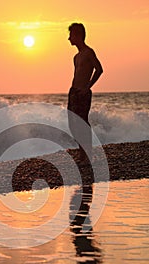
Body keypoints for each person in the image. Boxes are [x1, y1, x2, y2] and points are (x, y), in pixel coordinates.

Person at [67, 23, 103, 161]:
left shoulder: (89, 52)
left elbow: (99, 69)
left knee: (82, 122)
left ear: (78, 36)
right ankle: (82, 151)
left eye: (71, 35)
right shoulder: (76, 57)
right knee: (72, 124)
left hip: (83, 92)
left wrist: (88, 87)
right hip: (74, 92)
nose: (69, 39)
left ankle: (87, 153)